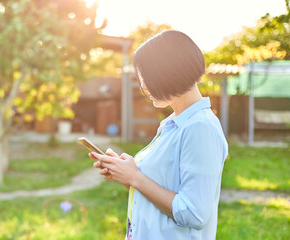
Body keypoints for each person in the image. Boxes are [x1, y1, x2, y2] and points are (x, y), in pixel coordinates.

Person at [88, 30, 228, 240]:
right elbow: (161, 190)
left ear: (169, 73)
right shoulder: (173, 124)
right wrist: (125, 175)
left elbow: (193, 213)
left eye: (146, 76)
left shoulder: (200, 128)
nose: (143, 85)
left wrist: (135, 177)